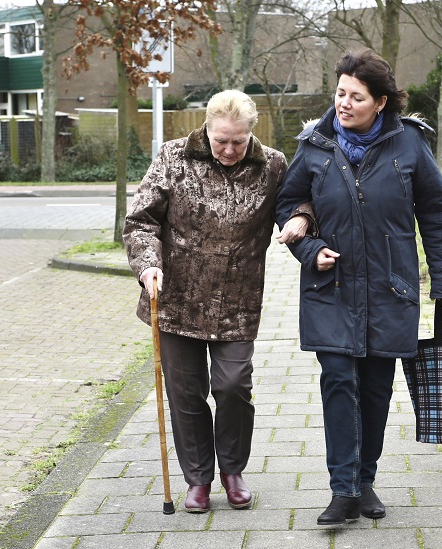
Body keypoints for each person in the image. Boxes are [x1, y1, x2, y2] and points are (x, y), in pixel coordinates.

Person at [275, 49, 442, 526]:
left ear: (381, 102)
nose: (344, 103)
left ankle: (366, 479)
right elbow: (289, 201)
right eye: (340, 93)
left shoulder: (409, 144)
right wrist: (308, 247)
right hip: (330, 288)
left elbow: (437, 216)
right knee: (339, 381)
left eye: (356, 97)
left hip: (390, 289)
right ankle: (343, 490)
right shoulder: (315, 145)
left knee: (376, 388)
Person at [124, 89, 308, 513]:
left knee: (232, 386)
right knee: (186, 393)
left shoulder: (273, 165)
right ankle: (198, 480)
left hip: (237, 298)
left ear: (251, 134)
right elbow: (140, 221)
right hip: (175, 298)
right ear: (206, 128)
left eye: (237, 141)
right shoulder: (173, 157)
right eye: (220, 140)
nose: (228, 149)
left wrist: (302, 217)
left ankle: (233, 471)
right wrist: (148, 264)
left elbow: (298, 201)